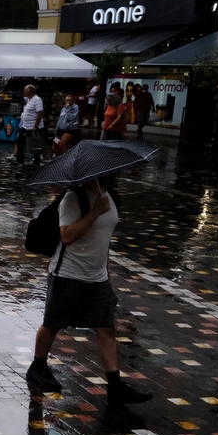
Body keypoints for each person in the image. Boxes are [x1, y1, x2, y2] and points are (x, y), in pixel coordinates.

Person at [24, 177, 153, 416]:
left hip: (97, 276)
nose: (116, 174)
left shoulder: (111, 196)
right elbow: (67, 236)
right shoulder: (73, 197)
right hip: (68, 273)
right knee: (53, 322)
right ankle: (38, 366)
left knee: (106, 327)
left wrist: (105, 266)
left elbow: (104, 236)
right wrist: (95, 212)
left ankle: (115, 386)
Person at [14, 85, 44, 165]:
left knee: (35, 144)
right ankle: (20, 161)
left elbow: (40, 112)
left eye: (25, 90)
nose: (24, 92)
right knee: (20, 141)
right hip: (26, 126)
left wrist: (36, 126)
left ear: (29, 91)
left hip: (33, 126)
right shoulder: (29, 100)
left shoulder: (37, 99)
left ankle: (36, 162)